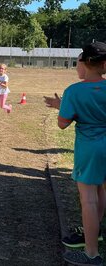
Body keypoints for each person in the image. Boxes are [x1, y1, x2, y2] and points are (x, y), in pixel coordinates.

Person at [44, 52, 105, 251]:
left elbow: (63, 124)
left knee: (88, 199)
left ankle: (90, 252)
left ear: (85, 64)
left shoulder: (73, 91)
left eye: (77, 62)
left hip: (90, 149)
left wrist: (62, 108)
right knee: (102, 190)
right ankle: (94, 232)